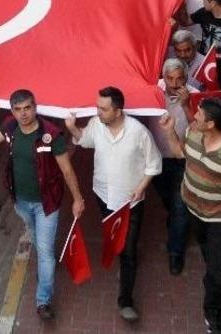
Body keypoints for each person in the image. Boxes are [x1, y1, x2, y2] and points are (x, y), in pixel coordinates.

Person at [0, 90, 85, 321]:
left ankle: (43, 301)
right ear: (12, 112)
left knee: (45, 252)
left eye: (27, 108)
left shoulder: (50, 135)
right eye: (18, 110)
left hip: (46, 203)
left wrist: (78, 199)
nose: (23, 114)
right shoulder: (10, 127)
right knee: (39, 240)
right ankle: (45, 262)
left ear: (35, 107)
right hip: (20, 202)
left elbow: (66, 169)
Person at [64, 87, 161, 323]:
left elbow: (154, 164)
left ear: (118, 111)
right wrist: (72, 128)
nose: (98, 112)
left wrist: (141, 188)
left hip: (130, 202)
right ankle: (118, 250)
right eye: (98, 107)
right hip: (103, 195)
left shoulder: (139, 133)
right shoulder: (96, 125)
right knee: (113, 236)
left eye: (103, 109)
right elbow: (84, 141)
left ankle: (125, 300)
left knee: (128, 251)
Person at [158, 98, 221, 334]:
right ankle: (213, 266)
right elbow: (180, 153)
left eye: (199, 114)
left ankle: (212, 312)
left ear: (211, 124)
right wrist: (170, 132)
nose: (195, 116)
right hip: (194, 209)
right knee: (209, 254)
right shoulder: (192, 132)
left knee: (217, 269)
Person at [149, 59, 197, 275]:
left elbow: (201, 126)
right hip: (157, 156)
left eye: (180, 79)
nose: (175, 84)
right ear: (163, 77)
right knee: (166, 195)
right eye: (170, 79)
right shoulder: (152, 91)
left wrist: (187, 105)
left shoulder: (194, 94)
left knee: (180, 205)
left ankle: (175, 252)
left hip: (182, 158)